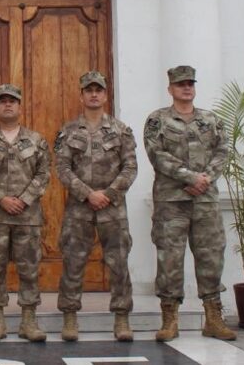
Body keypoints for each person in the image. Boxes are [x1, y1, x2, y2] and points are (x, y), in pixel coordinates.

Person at [144, 65, 236, 341]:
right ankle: (170, 320)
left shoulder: (210, 119)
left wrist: (206, 178)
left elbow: (223, 150)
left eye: (190, 84)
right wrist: (190, 177)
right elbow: (156, 155)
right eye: (181, 84)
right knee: (169, 259)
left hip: (204, 200)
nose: (187, 88)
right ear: (170, 89)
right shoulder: (157, 120)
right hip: (171, 202)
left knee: (211, 257)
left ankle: (213, 318)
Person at [54, 71, 138, 342]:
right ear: (81, 95)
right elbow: (62, 168)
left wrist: (109, 193)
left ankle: (122, 318)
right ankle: (69, 317)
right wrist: (88, 194)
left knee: (119, 263)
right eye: (88, 90)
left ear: (105, 95)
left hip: (113, 209)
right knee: (73, 261)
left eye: (98, 90)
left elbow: (130, 167)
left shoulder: (121, 130)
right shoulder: (68, 131)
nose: (93, 94)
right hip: (79, 208)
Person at [0, 83, 51, 343]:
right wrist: (1, 199)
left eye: (12, 101)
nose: (7, 104)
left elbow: (44, 174)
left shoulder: (36, 140)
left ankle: (29, 320)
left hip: (28, 217)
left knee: (29, 268)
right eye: (2, 101)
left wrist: (23, 199)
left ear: (19, 106)